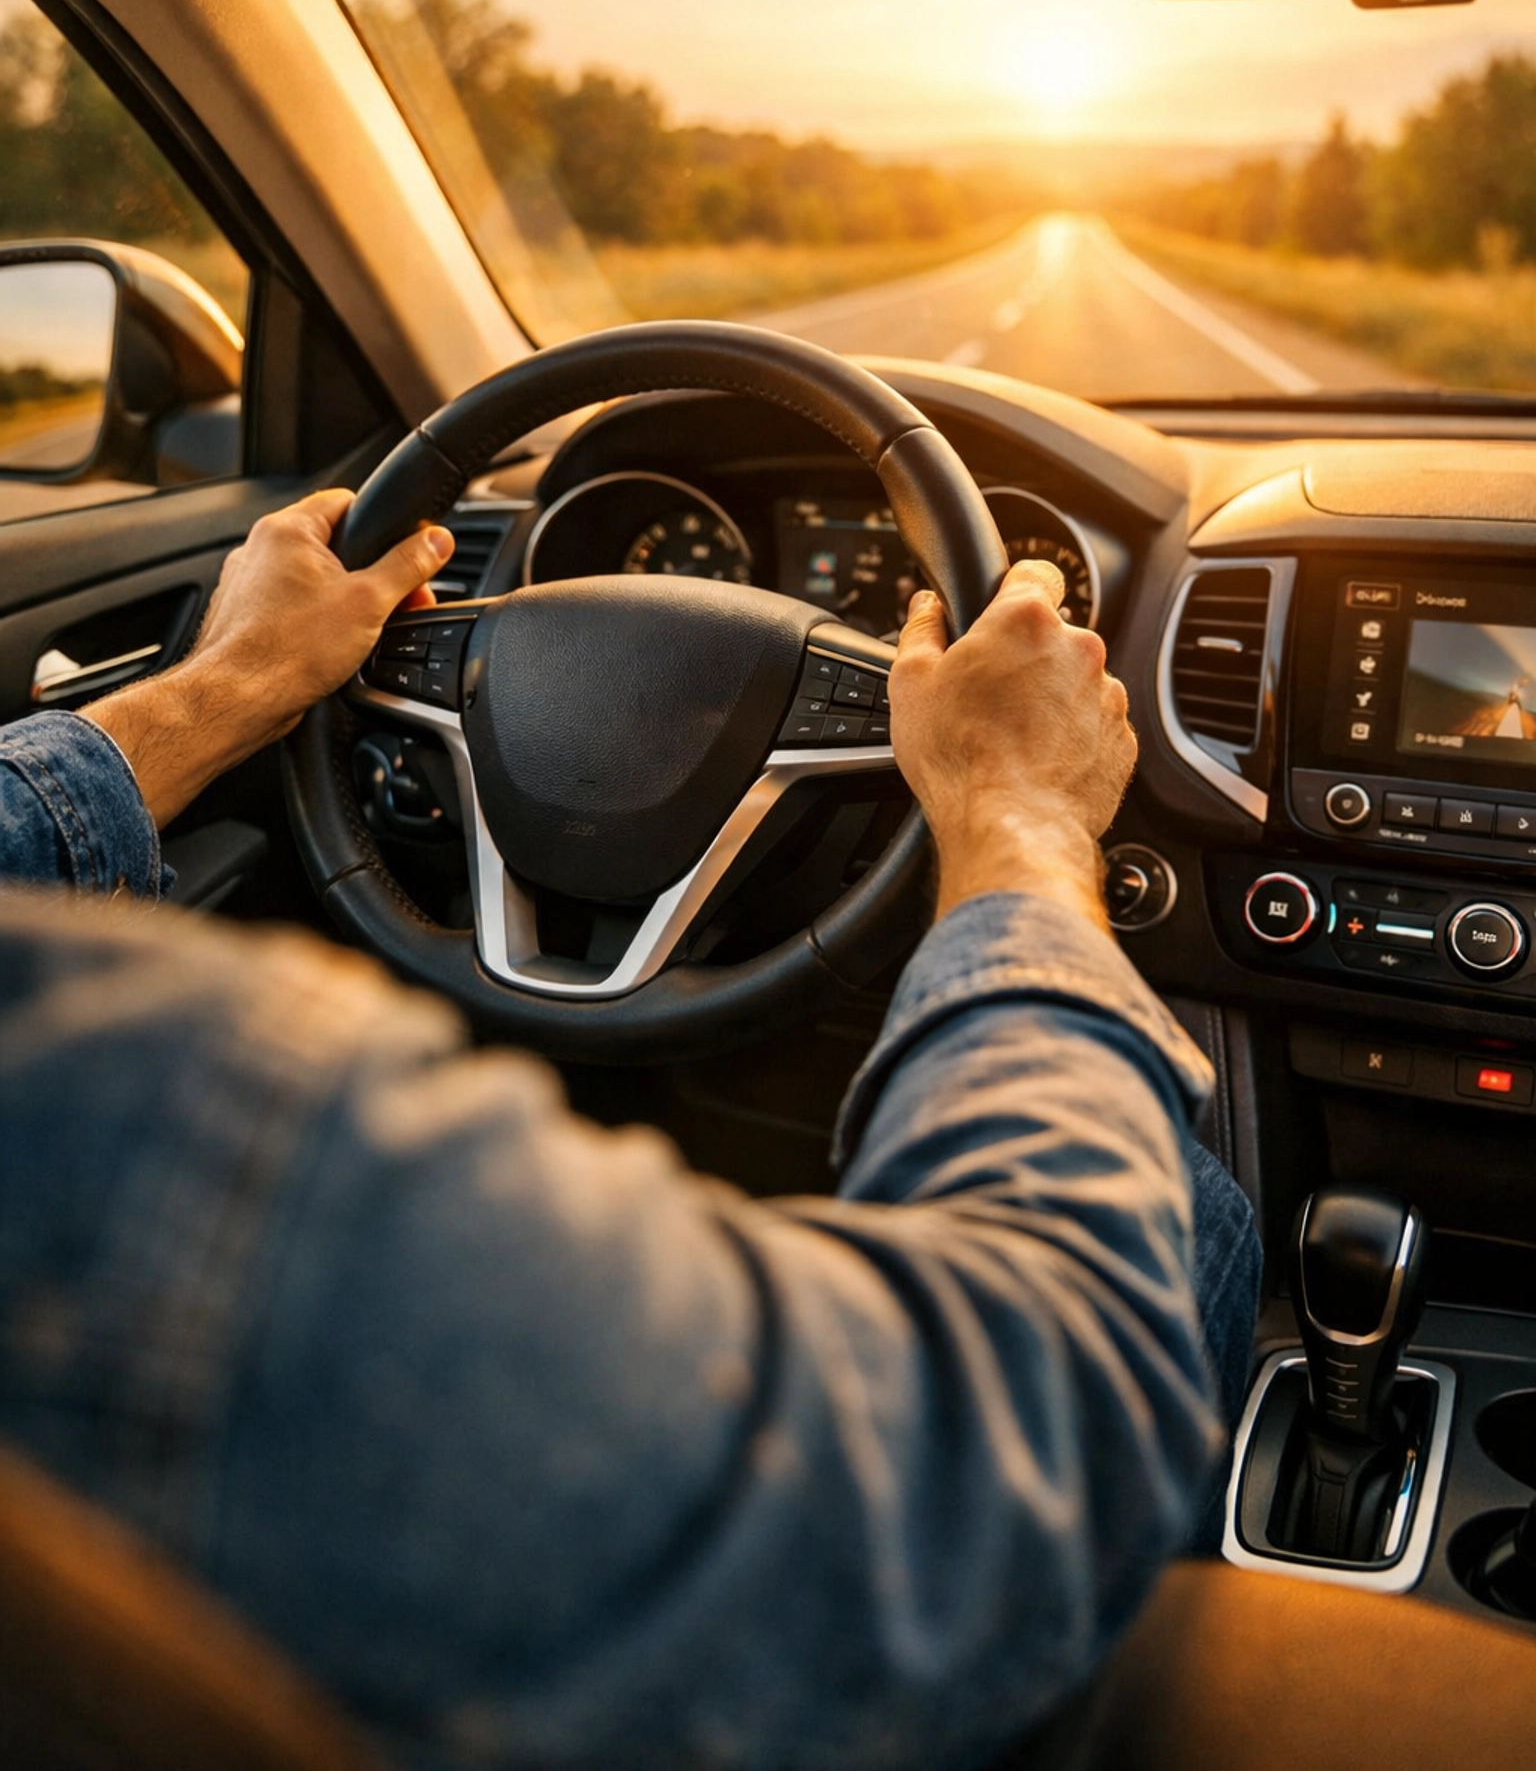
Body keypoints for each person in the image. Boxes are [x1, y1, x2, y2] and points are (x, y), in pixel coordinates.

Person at [0, 488, 1260, 1771]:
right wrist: (1015, 805)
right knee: (1184, 1199)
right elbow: (996, 1463)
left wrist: (236, 678)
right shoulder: (189, 1132)